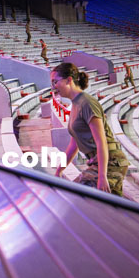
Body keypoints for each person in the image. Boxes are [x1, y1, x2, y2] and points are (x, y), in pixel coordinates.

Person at [52, 62, 129, 196]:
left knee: (75, 197)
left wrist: (102, 176)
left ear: (69, 80)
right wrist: (59, 171)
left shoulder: (87, 103)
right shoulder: (76, 104)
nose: (53, 87)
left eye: (55, 82)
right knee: (109, 210)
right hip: (100, 162)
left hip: (111, 162)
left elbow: (101, 141)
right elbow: (73, 145)